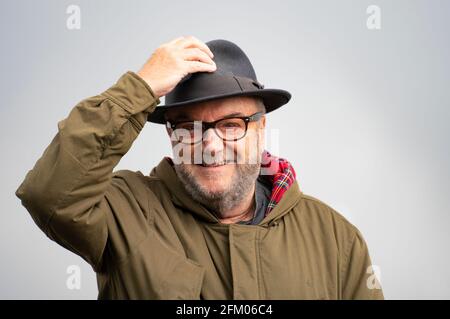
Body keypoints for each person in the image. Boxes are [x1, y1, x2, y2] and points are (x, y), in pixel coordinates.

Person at [15, 36, 384, 299]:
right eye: (188, 127)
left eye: (230, 124)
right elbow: (49, 194)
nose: (209, 144)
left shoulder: (336, 240)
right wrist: (140, 89)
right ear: (171, 134)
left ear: (261, 128)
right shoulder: (125, 211)